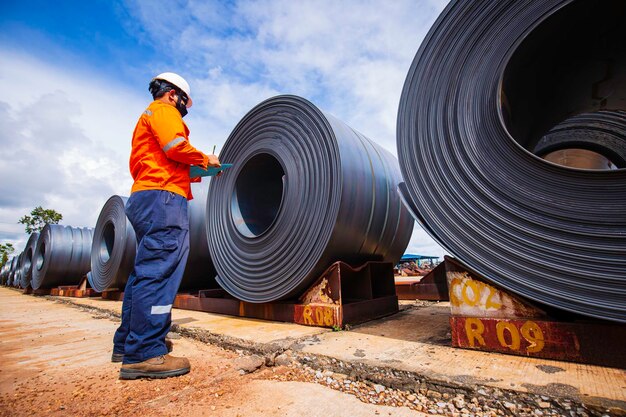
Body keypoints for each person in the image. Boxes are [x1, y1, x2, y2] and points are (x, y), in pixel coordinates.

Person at [112, 72, 220, 380]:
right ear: (173, 95)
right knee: (160, 272)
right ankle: (145, 352)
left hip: (148, 195)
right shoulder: (163, 111)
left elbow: (168, 159)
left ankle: (127, 343)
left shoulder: (149, 118)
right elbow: (175, 146)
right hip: (163, 199)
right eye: (185, 103)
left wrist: (202, 171)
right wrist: (205, 157)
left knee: (143, 272)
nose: (184, 109)